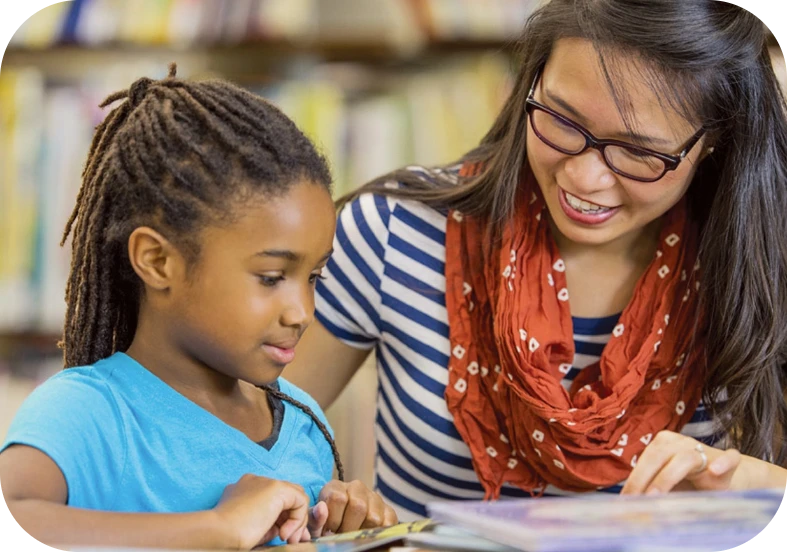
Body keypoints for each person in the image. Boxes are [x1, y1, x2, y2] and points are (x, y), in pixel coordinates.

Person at [285, 0, 787, 520]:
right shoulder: (393, 236)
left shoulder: (756, 267)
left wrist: (757, 481)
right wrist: (327, 511)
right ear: (530, 83)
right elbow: (249, 457)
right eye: (561, 119)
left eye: (639, 152)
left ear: (714, 142)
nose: (584, 177)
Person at [0, 64, 396, 549]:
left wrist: (350, 532)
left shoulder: (304, 423)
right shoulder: (88, 412)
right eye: (271, 277)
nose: (301, 312)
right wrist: (216, 530)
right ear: (158, 261)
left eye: (314, 277)